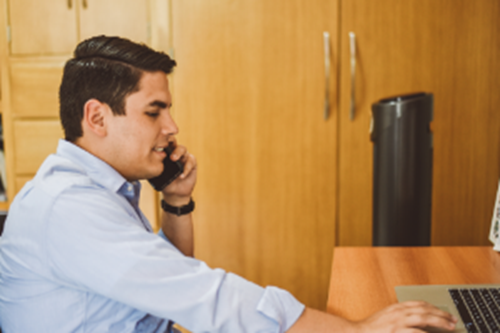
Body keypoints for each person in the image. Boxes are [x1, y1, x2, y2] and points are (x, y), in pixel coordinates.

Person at [0, 36, 457, 333]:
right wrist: (356, 330)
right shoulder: (68, 208)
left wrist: (176, 203)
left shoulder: (101, 188)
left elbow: (163, 289)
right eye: (154, 112)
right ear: (97, 117)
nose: (172, 127)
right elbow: (200, 295)